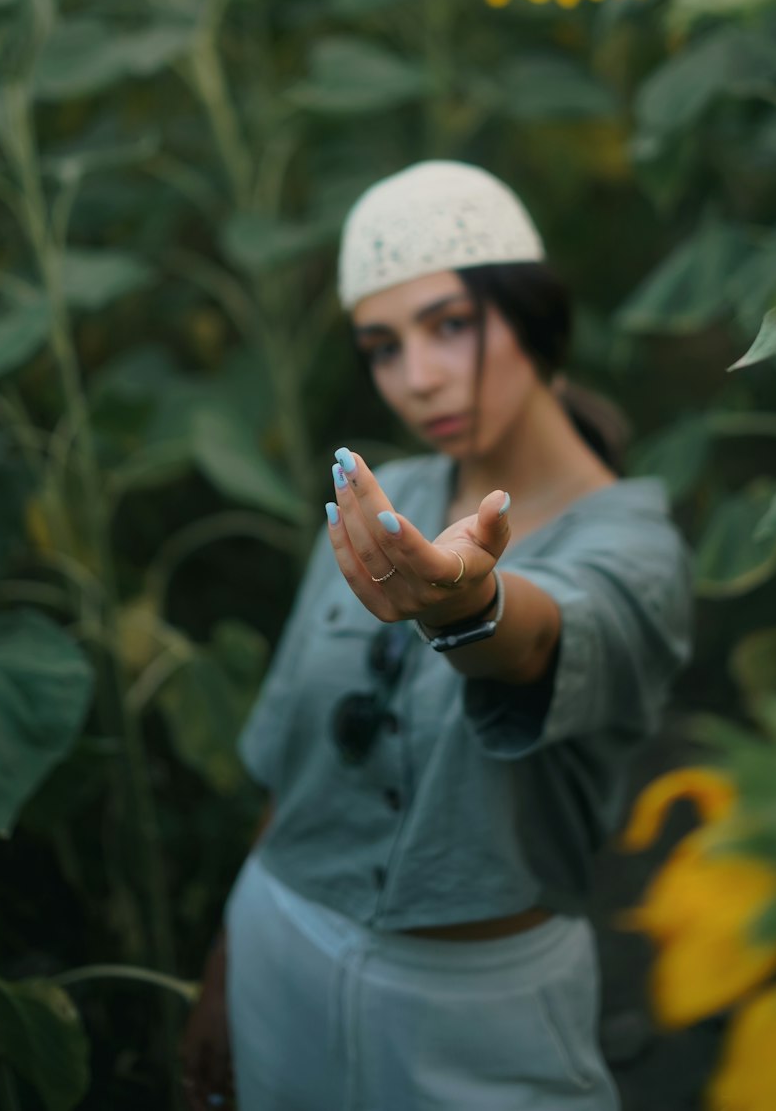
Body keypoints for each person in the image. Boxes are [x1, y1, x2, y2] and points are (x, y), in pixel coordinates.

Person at [181, 159, 692, 1111]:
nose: (417, 378)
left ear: (533, 312)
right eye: (381, 346)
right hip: (279, 933)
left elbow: (546, 636)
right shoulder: (378, 499)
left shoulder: (636, 541)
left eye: (450, 325)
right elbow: (298, 766)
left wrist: (465, 605)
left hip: (477, 1010)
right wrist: (227, 960)